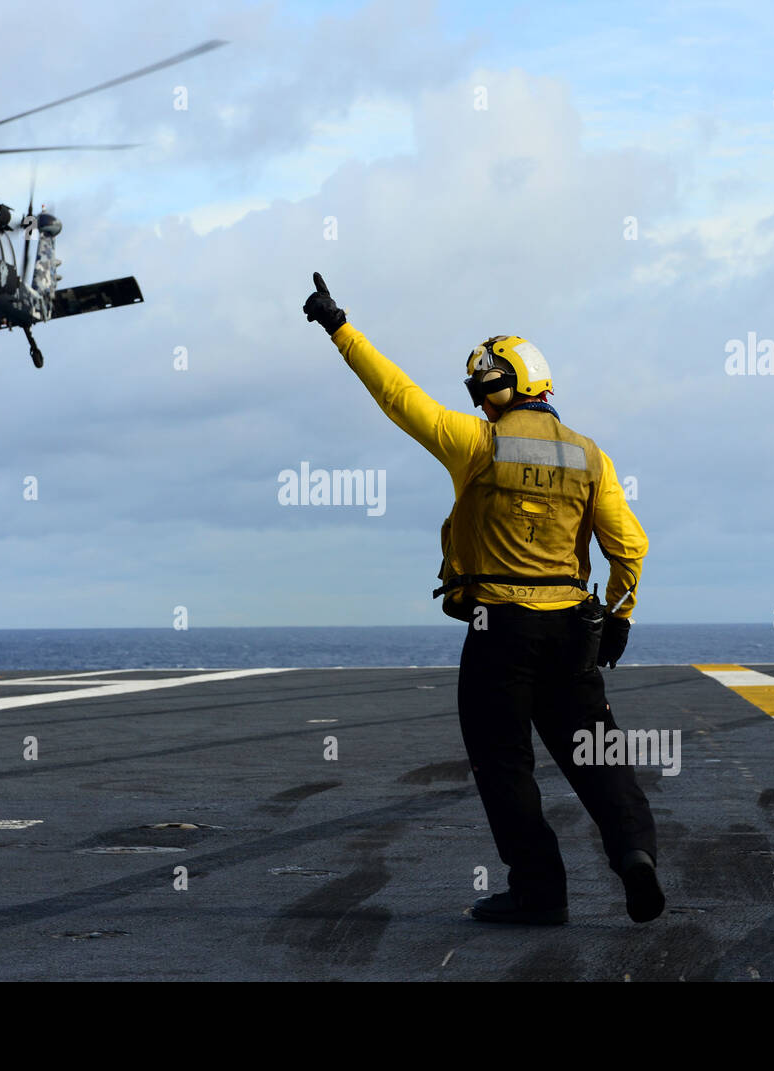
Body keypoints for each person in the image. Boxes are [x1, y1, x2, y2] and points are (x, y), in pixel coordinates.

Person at [303, 272, 664, 925]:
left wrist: (340, 327)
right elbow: (630, 547)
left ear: (493, 393)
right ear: (542, 382)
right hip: (573, 630)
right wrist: (619, 617)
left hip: (500, 632)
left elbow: (397, 395)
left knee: (504, 765)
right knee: (599, 753)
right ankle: (635, 853)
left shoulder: (476, 443)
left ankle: (540, 891)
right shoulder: (590, 457)